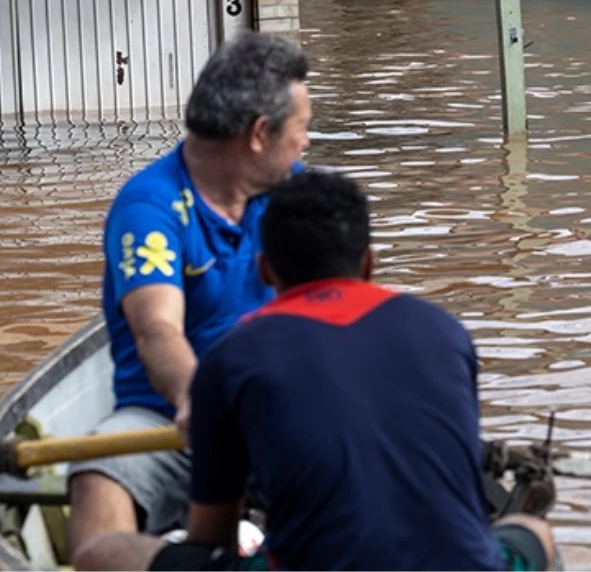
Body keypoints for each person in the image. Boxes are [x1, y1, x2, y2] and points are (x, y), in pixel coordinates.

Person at [73, 170, 558, 572]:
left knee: (104, 552)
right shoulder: (446, 333)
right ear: (369, 263)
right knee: (534, 533)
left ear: (265, 270)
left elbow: (211, 539)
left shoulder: (233, 355)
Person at [67, 31, 312, 563]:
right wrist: (199, 400)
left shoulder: (296, 192)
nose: (305, 144)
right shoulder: (150, 206)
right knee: (95, 481)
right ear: (259, 134)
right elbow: (159, 329)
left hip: (278, 408)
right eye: (301, 130)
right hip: (168, 418)